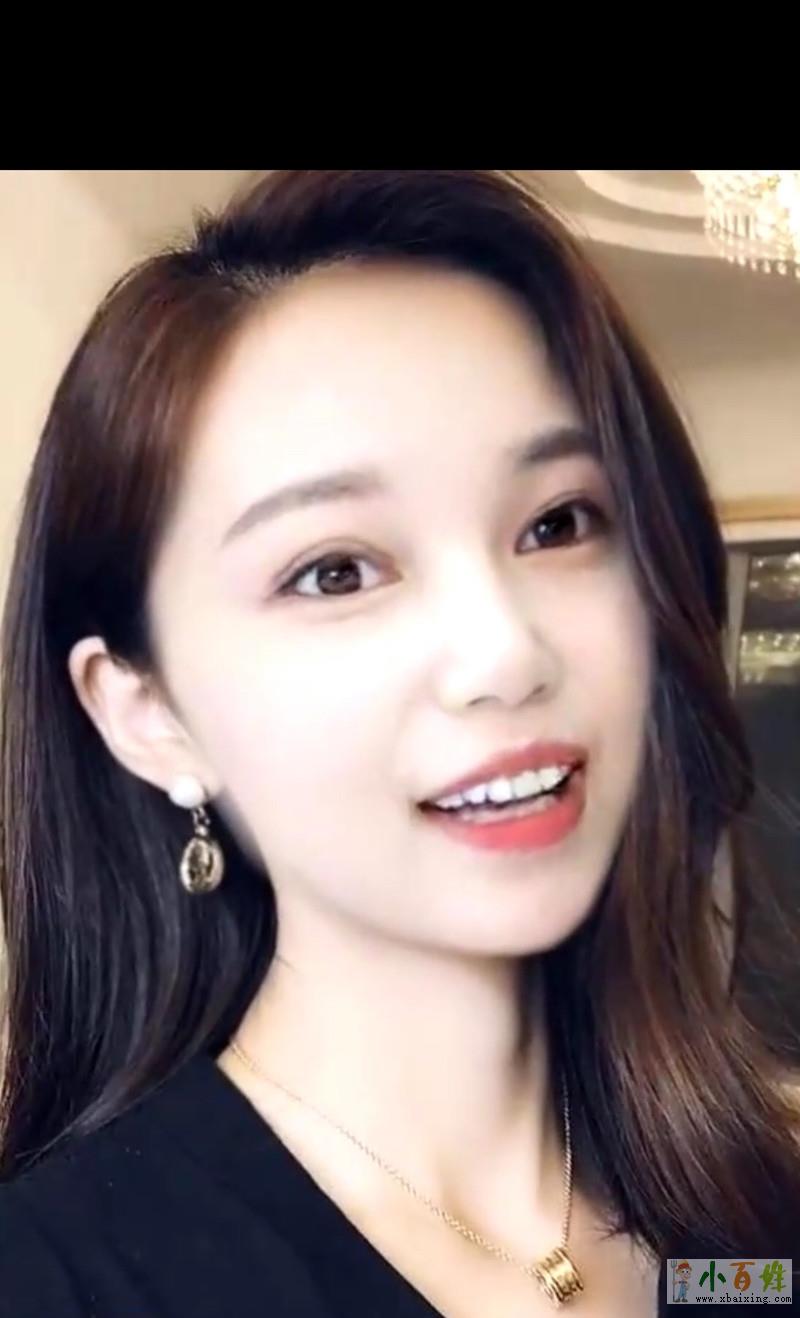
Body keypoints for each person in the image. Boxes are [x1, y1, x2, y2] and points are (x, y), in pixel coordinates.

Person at [0, 169, 797, 1318]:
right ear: (147, 714)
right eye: (335, 571)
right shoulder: (53, 1281)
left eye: (557, 522)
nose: (504, 653)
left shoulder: (743, 1243)